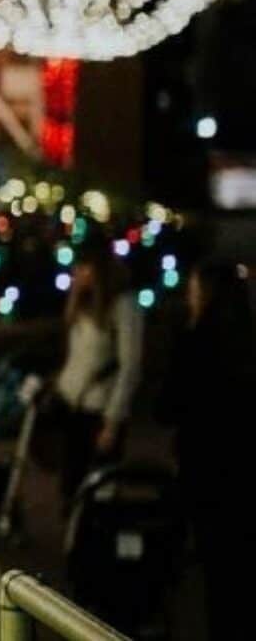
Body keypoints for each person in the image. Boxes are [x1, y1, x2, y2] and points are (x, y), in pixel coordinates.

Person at [157, 260, 253, 640]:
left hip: (206, 466)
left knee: (217, 569)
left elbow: (166, 406)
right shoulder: (246, 341)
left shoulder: (195, 341)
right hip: (245, 465)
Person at [51, 250, 144, 503]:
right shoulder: (83, 304)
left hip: (100, 409)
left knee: (100, 490)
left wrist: (112, 421)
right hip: (75, 405)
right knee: (71, 486)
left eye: (85, 269)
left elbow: (130, 366)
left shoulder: (123, 306)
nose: (78, 275)